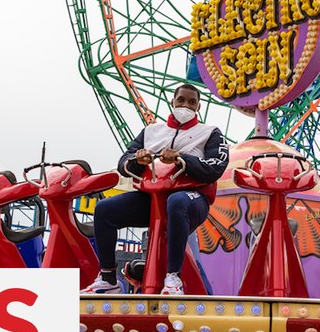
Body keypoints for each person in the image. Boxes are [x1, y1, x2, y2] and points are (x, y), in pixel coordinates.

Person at [81, 84, 229, 295]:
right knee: (104, 209)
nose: (185, 105)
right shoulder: (151, 131)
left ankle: (173, 277)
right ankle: (108, 279)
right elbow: (124, 162)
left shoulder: (210, 133)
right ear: (172, 101)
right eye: (181, 100)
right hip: (151, 198)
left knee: (176, 202)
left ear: (199, 106)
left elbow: (216, 167)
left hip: (193, 199)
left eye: (192, 102)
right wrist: (137, 160)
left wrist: (181, 159)